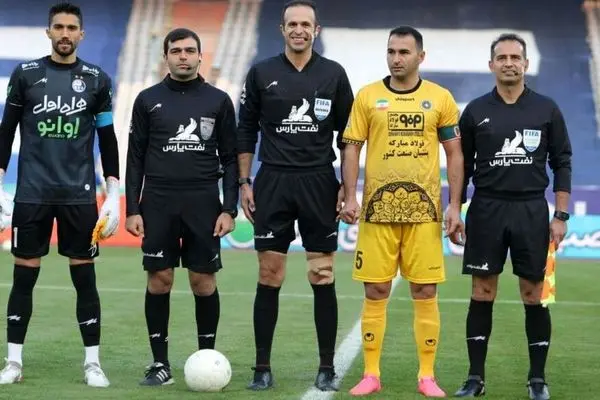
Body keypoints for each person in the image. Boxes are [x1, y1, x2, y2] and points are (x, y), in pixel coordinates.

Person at [340, 26, 466, 398]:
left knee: (425, 290)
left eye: (404, 52)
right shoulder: (367, 96)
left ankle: (427, 376)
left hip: (424, 213)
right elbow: (351, 147)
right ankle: (371, 373)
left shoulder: (440, 98)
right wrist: (350, 196)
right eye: (391, 51)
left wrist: (454, 205)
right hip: (377, 211)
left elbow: (455, 153)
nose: (396, 59)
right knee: (376, 288)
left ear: (420, 57)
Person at [0, 2, 119, 388]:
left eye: (71, 28)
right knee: (23, 277)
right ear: (48, 32)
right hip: (32, 193)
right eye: (59, 27)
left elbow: (107, 139)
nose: (65, 34)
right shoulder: (25, 74)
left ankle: (93, 364)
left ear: (81, 34)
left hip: (79, 196)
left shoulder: (97, 80)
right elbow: (5, 131)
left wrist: (113, 195)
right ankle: (13, 362)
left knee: (85, 278)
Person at [237, 0, 354, 391]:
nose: (299, 30)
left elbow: (349, 138)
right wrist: (244, 181)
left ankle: (326, 368)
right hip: (273, 180)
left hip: (319, 181)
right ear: (282, 29)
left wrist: (347, 187)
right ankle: (261, 368)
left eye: (306, 24)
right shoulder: (261, 72)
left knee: (322, 273)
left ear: (316, 30)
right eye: (292, 24)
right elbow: (245, 130)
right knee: (269, 272)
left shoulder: (333, 74)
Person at [453, 33, 572, 400]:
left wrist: (561, 215)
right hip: (486, 208)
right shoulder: (475, 111)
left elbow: (562, 162)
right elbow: (462, 166)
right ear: (491, 65)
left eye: (515, 57)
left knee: (533, 294)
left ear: (526, 64)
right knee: (482, 291)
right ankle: (475, 378)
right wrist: (455, 209)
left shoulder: (546, 109)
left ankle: (537, 380)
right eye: (501, 57)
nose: (508, 63)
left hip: (531, 209)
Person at [125, 28, 239, 386]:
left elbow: (231, 159)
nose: (183, 56)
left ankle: (207, 358)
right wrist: (132, 209)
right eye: (176, 51)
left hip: (203, 201)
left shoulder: (219, 100)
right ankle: (160, 363)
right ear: (166, 57)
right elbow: (135, 158)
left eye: (190, 50)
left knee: (202, 281)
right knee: (159, 279)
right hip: (158, 201)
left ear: (200, 56)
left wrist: (229, 208)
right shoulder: (147, 100)